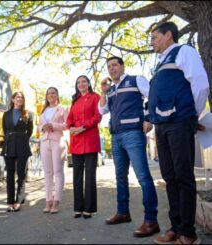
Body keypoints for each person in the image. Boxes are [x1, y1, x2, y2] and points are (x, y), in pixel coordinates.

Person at [149, 22, 209, 245]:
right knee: (170, 177)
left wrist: (192, 114)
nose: (152, 41)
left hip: (179, 121)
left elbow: (200, 85)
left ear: (168, 35)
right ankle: (175, 228)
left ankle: (188, 233)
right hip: (162, 125)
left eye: (155, 37)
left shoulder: (184, 51)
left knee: (183, 176)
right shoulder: (161, 63)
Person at [98, 56, 160, 237]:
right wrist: (103, 91)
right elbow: (101, 111)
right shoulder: (110, 90)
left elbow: (153, 97)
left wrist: (149, 119)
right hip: (116, 136)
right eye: (109, 66)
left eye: (115, 65)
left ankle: (151, 221)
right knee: (120, 177)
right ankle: (123, 212)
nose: (111, 69)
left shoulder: (135, 80)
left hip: (133, 133)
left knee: (143, 177)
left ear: (122, 66)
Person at [67, 75, 102, 219]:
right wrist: (71, 127)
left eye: (83, 81)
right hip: (76, 141)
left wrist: (83, 127)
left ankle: (89, 208)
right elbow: (69, 118)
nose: (81, 84)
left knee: (89, 176)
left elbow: (98, 116)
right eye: (78, 82)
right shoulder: (74, 100)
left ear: (88, 84)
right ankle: (78, 208)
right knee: (77, 176)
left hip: (90, 140)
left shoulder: (95, 97)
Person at [38, 87, 68, 214]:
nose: (50, 95)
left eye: (53, 93)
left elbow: (68, 124)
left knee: (57, 171)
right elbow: (39, 126)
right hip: (44, 142)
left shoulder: (63, 108)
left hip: (58, 142)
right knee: (47, 172)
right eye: (48, 93)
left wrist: (53, 126)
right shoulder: (43, 111)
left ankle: (56, 202)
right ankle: (48, 201)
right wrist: (42, 127)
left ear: (57, 95)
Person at [1, 91, 33, 212]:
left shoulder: (28, 114)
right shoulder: (6, 114)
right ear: (13, 99)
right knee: (9, 174)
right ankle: (10, 201)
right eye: (17, 97)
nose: (20, 99)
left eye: (22, 97)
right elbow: (5, 130)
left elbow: (29, 131)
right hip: (9, 145)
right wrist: (12, 137)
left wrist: (21, 138)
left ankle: (18, 200)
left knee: (21, 174)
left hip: (22, 145)